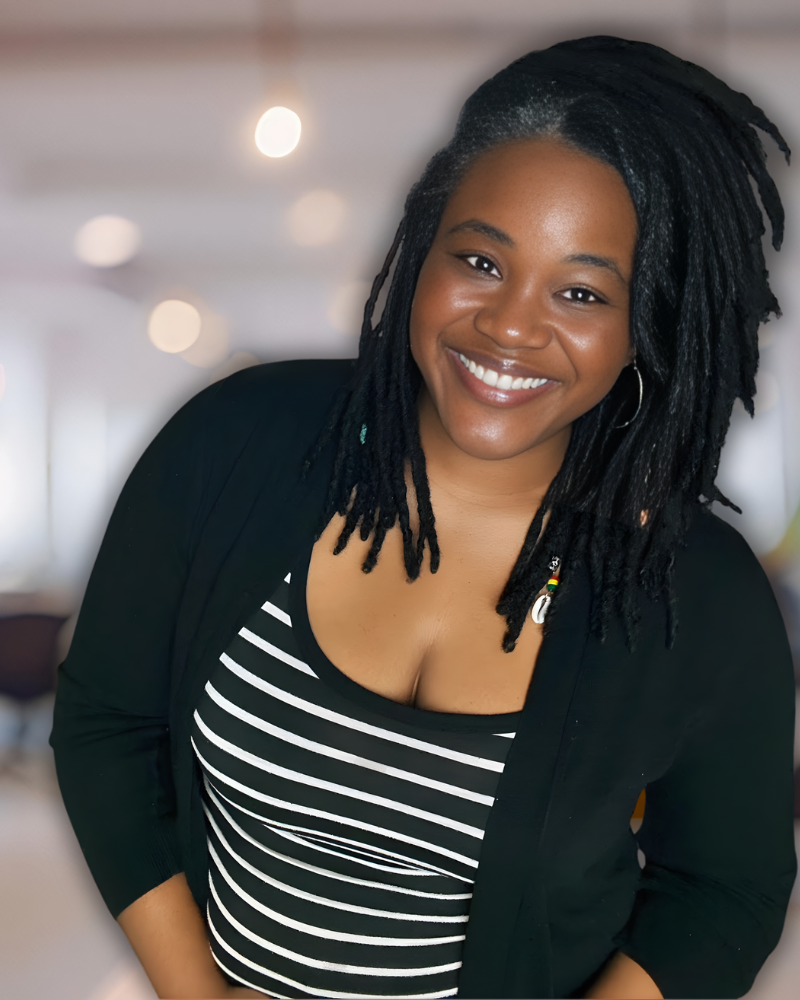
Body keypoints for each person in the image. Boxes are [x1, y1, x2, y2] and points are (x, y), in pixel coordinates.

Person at [51, 35, 797, 1000]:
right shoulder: (235, 444)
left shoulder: (696, 592)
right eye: (481, 260)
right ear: (421, 248)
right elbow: (109, 724)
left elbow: (724, 890)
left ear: (641, 327)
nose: (511, 326)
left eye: (581, 292)